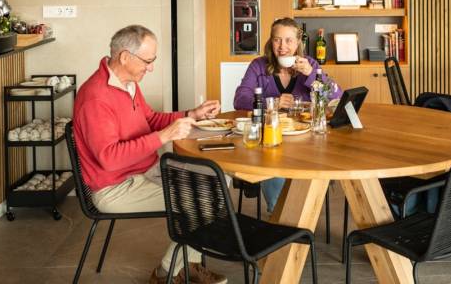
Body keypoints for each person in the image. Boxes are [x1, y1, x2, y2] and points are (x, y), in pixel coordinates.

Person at [72, 25, 226, 284]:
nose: (151, 67)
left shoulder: (127, 83)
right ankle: (167, 273)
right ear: (124, 57)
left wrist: (191, 115)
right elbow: (109, 158)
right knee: (203, 200)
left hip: (146, 171)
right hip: (116, 188)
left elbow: (151, 119)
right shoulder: (96, 98)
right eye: (148, 61)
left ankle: (186, 266)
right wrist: (164, 136)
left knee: (215, 184)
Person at [233, 17, 342, 211]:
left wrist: (311, 74)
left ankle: (300, 214)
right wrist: (271, 103)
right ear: (271, 41)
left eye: (289, 40)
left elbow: (336, 96)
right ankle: (281, 216)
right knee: (273, 163)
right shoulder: (258, 65)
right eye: (277, 40)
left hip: (306, 141)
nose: (282, 46)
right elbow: (240, 98)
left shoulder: (309, 64)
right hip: (271, 138)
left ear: (298, 42)